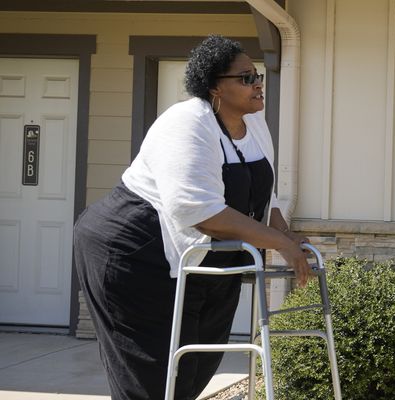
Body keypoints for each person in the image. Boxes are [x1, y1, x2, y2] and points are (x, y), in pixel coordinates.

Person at [73, 35, 311, 400]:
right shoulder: (186, 124)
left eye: (258, 75)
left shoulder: (255, 124)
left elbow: (266, 196)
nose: (258, 83)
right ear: (215, 85)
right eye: (246, 78)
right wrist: (279, 244)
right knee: (155, 379)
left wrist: (287, 235)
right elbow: (200, 212)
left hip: (205, 259)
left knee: (196, 368)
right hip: (135, 252)